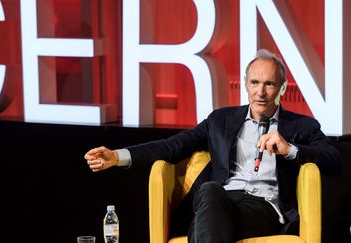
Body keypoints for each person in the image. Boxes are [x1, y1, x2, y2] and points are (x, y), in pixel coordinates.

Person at [84, 49, 341, 242]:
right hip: (219, 200)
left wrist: (290, 150)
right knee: (210, 193)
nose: (260, 92)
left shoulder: (301, 126)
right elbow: (173, 146)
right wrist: (118, 156)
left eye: (269, 84)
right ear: (245, 85)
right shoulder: (220, 120)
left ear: (282, 88)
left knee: (205, 211)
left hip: (265, 210)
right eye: (254, 83)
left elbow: (333, 159)